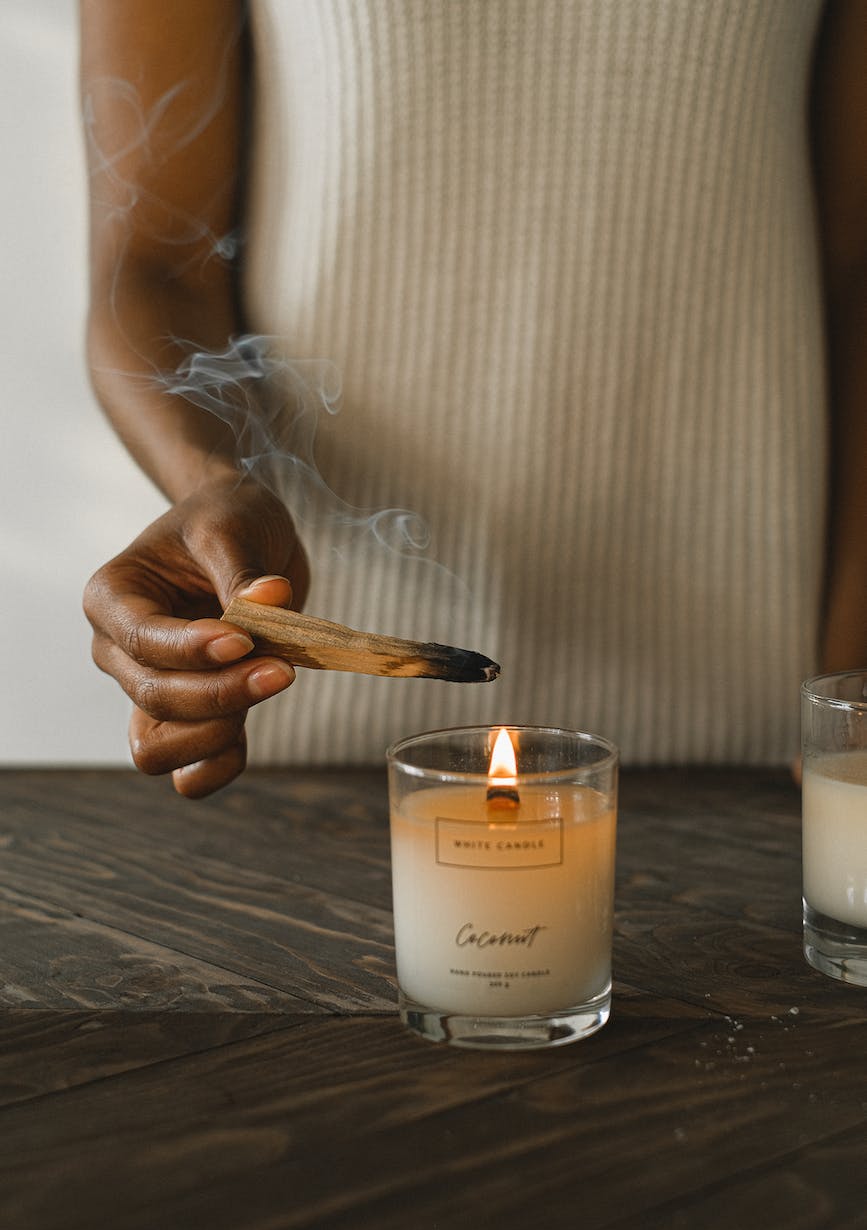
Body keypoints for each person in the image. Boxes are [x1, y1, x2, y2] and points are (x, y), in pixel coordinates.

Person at [79, 0, 867, 798]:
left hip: (760, 752)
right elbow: (155, 267)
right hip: (315, 750)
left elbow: (855, 272)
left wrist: (846, 705)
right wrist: (211, 482)